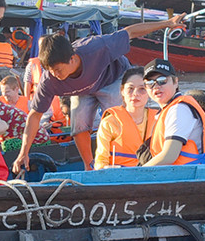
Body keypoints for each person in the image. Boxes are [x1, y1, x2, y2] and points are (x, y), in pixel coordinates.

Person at [15, 12, 186, 172]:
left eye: (58, 70)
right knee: (79, 123)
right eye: (50, 70)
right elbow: (34, 116)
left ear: (72, 59)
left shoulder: (97, 47)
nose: (55, 75)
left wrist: (167, 23)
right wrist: (24, 152)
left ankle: (134, 160)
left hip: (112, 78)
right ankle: (89, 167)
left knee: (119, 118)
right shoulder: (49, 80)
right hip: (83, 89)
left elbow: (130, 33)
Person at [141, 59, 205, 166]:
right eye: (150, 83)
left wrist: (137, 173)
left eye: (162, 80)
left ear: (175, 82)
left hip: (192, 174)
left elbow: (169, 156)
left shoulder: (179, 110)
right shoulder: (167, 110)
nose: (156, 86)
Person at [94, 66, 157, 168]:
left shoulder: (159, 119)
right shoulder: (110, 122)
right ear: (122, 90)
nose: (135, 94)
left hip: (152, 173)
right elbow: (100, 161)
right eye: (130, 89)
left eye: (142, 89)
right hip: (120, 175)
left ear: (149, 91)